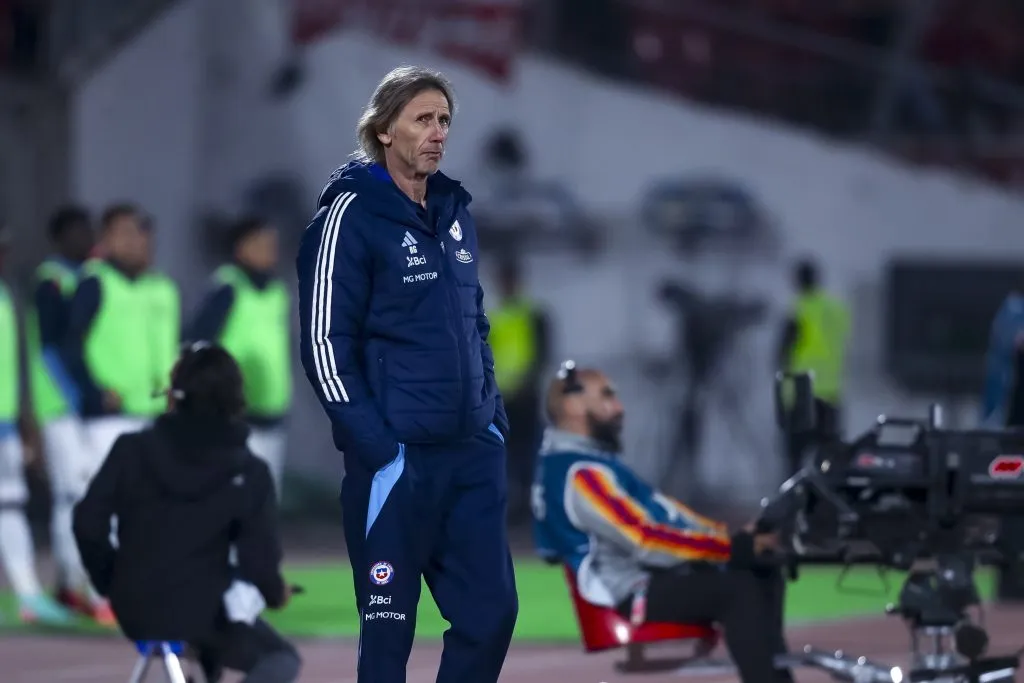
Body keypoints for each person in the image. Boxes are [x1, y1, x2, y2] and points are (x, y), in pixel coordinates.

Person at [295, 65, 516, 683]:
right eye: (423, 119)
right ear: (385, 129)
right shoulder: (350, 214)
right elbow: (322, 341)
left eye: (444, 120)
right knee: (389, 641)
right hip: (398, 461)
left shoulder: (453, 210)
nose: (438, 133)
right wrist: (378, 446)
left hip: (471, 454)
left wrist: (490, 417)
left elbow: (475, 323)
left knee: (491, 615)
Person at [533, 362, 793, 683]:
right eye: (607, 396)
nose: (619, 407)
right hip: (632, 591)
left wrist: (731, 538)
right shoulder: (582, 474)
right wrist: (733, 546)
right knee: (738, 588)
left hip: (648, 578)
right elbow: (645, 540)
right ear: (573, 406)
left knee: (760, 568)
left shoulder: (588, 465)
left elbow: (669, 515)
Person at [72, 343, 301, 683]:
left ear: (175, 394)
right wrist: (275, 593)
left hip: (133, 608)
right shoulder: (249, 471)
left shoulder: (131, 450)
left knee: (213, 633)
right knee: (279, 658)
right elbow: (260, 561)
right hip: (202, 612)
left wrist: (111, 579)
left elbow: (88, 523)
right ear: (236, 399)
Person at [62, 204, 181, 474]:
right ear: (105, 239)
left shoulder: (164, 288)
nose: (134, 241)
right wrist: (94, 392)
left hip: (156, 417)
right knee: (110, 506)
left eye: (140, 232)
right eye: (124, 233)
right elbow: (70, 346)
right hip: (110, 420)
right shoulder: (95, 282)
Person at [24, 205, 100, 618]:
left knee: (77, 495)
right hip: (60, 404)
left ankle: (71, 583)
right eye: (79, 231)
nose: (88, 237)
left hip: (76, 405)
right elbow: (52, 347)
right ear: (60, 237)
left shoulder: (86, 276)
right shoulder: (52, 281)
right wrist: (77, 393)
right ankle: (75, 583)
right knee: (73, 495)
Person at [186, 217, 292, 497]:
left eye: (272, 244)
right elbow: (197, 340)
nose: (270, 251)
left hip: (270, 409)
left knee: (265, 500)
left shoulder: (276, 292)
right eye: (261, 244)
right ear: (240, 248)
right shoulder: (227, 287)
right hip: (234, 414)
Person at [0, 225, 74, 625]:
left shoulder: (7, 296)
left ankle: (29, 593)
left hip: (5, 424)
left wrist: (23, 416)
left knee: (11, 506)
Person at [488, 256, 550, 522]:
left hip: (525, 396)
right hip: (502, 397)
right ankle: (514, 505)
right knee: (506, 454)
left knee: (528, 452)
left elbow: (541, 352)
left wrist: (528, 381)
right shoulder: (494, 317)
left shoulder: (532, 314)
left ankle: (530, 504)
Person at [777, 258, 850, 475]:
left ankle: (794, 505)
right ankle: (827, 504)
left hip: (802, 393)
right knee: (829, 459)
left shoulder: (799, 309)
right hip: (831, 394)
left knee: (794, 460)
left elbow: (783, 350)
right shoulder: (836, 310)